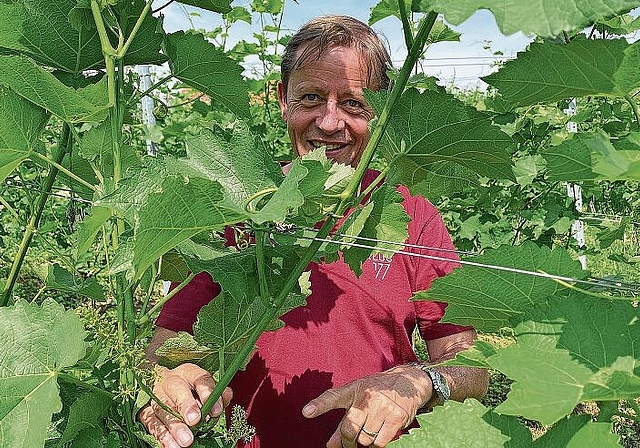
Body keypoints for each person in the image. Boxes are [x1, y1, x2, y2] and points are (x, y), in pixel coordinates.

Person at [139, 15, 488, 448]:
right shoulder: (237, 206)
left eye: (353, 103)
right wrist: (166, 378)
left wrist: (421, 382)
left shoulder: (411, 214)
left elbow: (473, 366)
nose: (328, 122)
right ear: (283, 100)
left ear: (380, 111)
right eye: (310, 97)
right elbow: (167, 341)